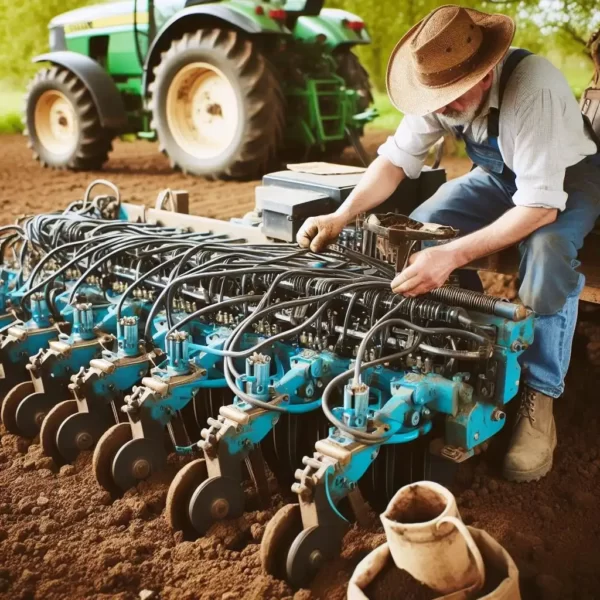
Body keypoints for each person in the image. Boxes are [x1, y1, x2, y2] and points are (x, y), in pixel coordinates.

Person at [296, 5, 600, 482]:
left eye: (453, 98)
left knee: (546, 255)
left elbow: (541, 205)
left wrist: (455, 254)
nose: (443, 109)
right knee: (422, 228)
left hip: (566, 178)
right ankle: (464, 346)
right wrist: (341, 215)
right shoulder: (441, 93)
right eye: (435, 99)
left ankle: (538, 395)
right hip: (503, 175)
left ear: (485, 74)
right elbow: (394, 163)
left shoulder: (531, 88)